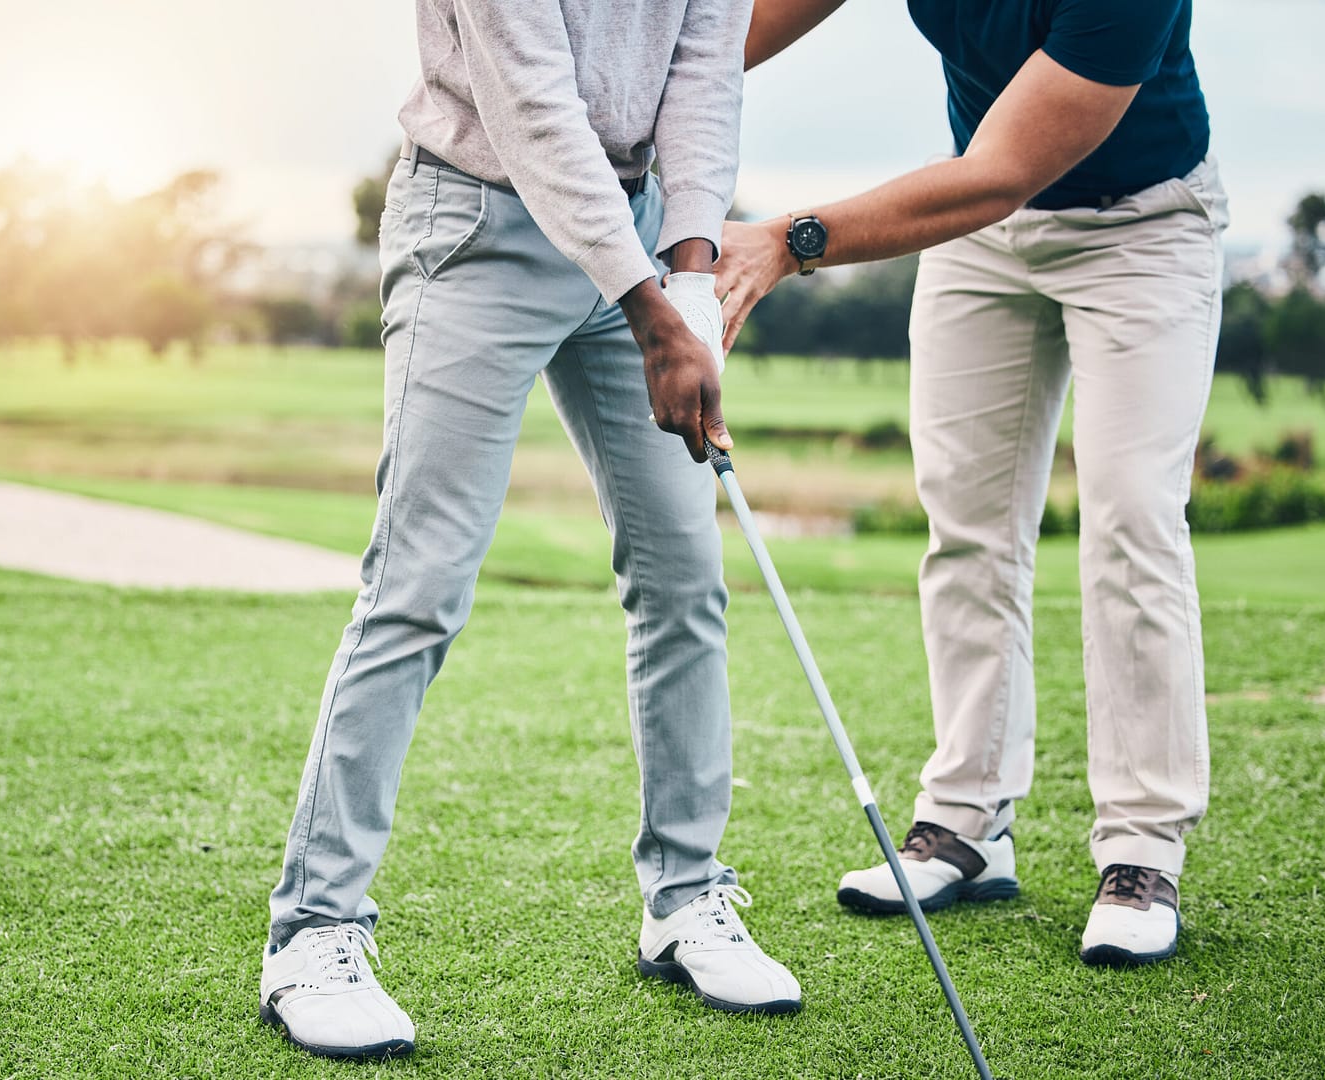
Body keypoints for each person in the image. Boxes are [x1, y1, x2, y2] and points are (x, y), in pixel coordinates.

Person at [259, 0, 804, 1060]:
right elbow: (532, 105)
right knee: (418, 585)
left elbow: (703, 70)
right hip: (479, 223)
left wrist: (687, 282)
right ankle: (311, 932)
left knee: (685, 576)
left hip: (641, 240)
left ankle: (686, 899)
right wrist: (655, 311)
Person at [718, 0, 1226, 968]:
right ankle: (965, 823)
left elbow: (1002, 171)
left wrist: (791, 238)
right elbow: (734, 28)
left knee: (1129, 521)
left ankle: (1141, 850)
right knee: (965, 519)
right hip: (983, 233)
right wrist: (629, 98)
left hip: (1140, 225)